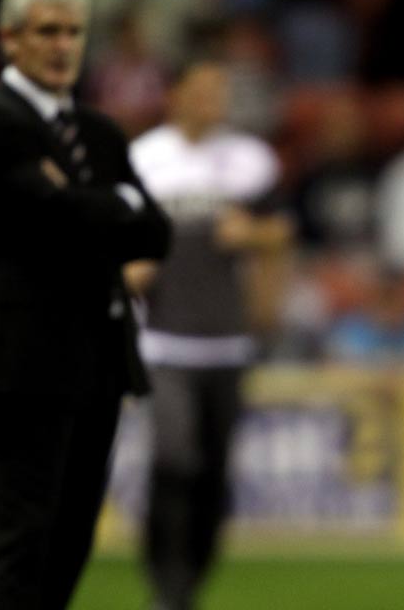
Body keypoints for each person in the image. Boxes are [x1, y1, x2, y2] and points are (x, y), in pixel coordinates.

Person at [0, 0, 172, 610]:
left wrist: (82, 202)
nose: (63, 45)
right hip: (24, 356)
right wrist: (109, 205)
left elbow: (154, 232)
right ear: (10, 40)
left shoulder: (98, 130)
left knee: (72, 536)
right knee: (24, 535)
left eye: (74, 32)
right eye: (47, 31)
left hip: (97, 358)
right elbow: (50, 220)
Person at [125, 59, 292, 610]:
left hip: (228, 337)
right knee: (174, 459)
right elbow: (121, 236)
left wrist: (255, 237)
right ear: (174, 95)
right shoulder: (145, 158)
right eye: (201, 91)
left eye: (219, 91)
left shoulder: (250, 161)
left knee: (214, 473)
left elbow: (281, 231)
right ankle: (165, 585)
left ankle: (192, 578)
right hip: (165, 338)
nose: (212, 102)